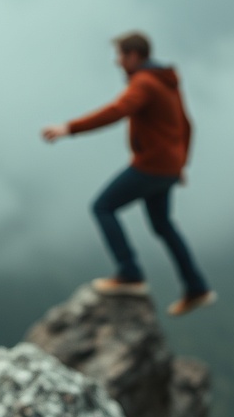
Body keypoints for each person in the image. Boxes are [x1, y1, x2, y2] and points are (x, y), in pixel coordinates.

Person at [41, 31, 214, 317]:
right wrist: (180, 164)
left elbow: (118, 110)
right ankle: (196, 287)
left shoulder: (145, 82)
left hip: (152, 165)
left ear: (133, 56)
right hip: (168, 166)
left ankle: (129, 273)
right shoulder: (165, 80)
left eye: (120, 55)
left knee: (103, 206)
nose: (117, 62)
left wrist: (69, 128)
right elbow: (187, 125)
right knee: (163, 225)